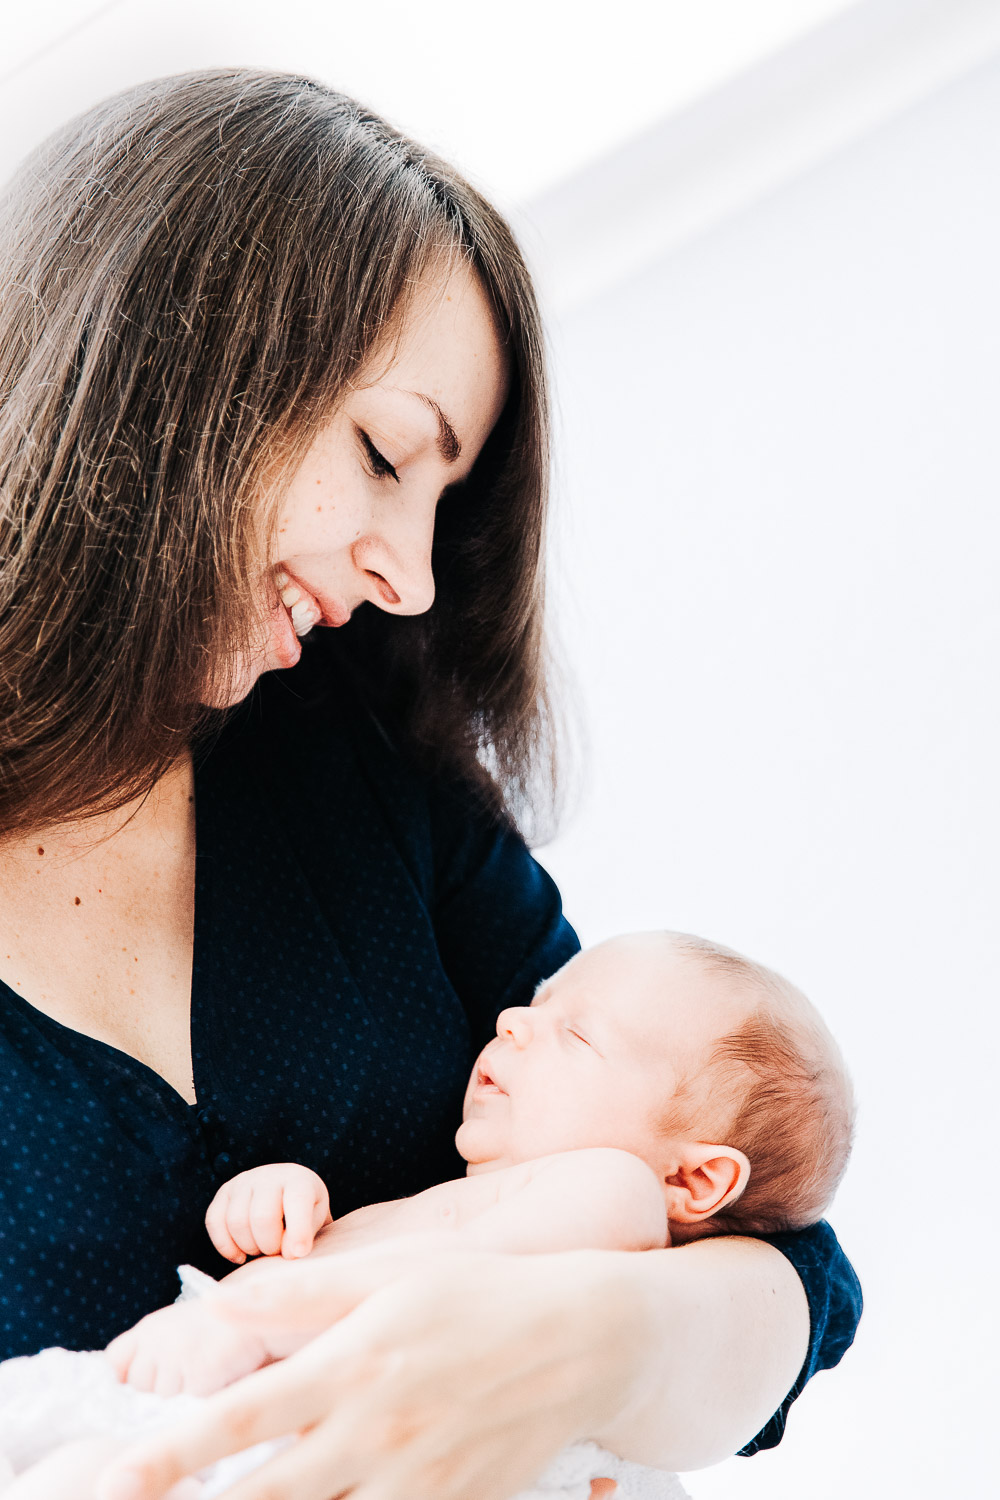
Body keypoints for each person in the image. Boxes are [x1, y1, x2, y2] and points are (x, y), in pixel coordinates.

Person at [0, 67, 861, 1500]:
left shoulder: (363, 784)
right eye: (385, 453)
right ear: (170, 369)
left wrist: (598, 1347)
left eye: (439, 503)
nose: (403, 571)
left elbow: (781, 1255)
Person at [0, 930, 854, 1499]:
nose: (515, 1020)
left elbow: (442, 1285)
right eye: (536, 1002)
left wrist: (253, 1313)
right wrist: (281, 1207)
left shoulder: (610, 1192)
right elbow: (410, 1251)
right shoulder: (476, 1194)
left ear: (697, 1180)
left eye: (579, 1036)